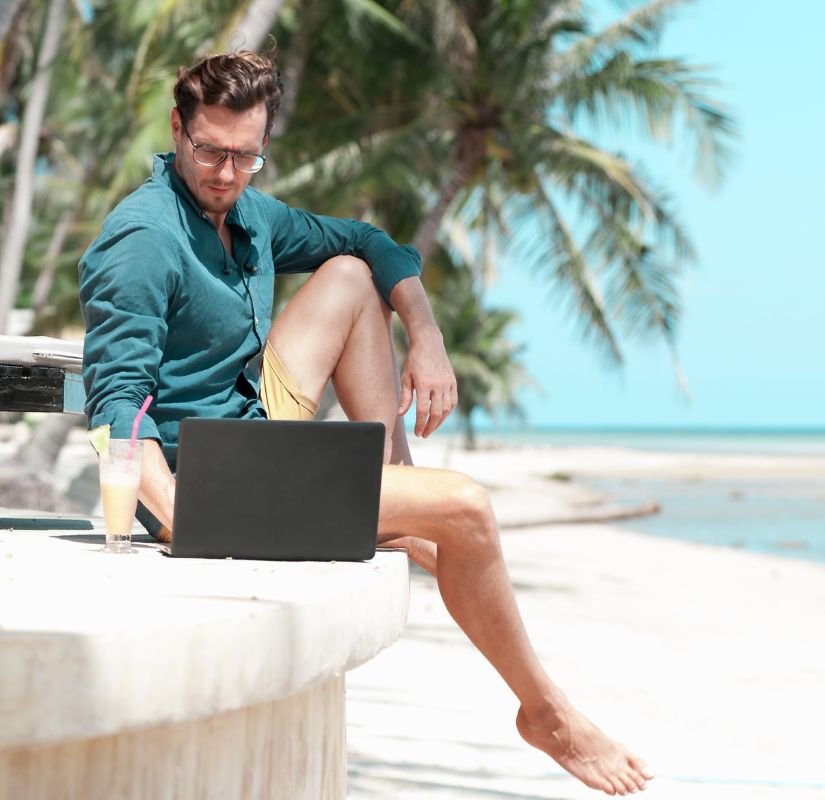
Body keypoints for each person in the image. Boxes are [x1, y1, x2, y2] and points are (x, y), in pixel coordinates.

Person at [78, 50, 652, 797]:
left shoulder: (246, 213)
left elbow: (373, 243)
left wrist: (429, 339)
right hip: (196, 486)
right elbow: (115, 406)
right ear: (177, 128)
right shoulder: (144, 239)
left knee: (351, 275)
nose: (225, 172)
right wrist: (188, 517)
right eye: (208, 150)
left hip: (254, 434)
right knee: (467, 511)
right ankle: (546, 712)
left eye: (245, 155)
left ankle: (393, 493)